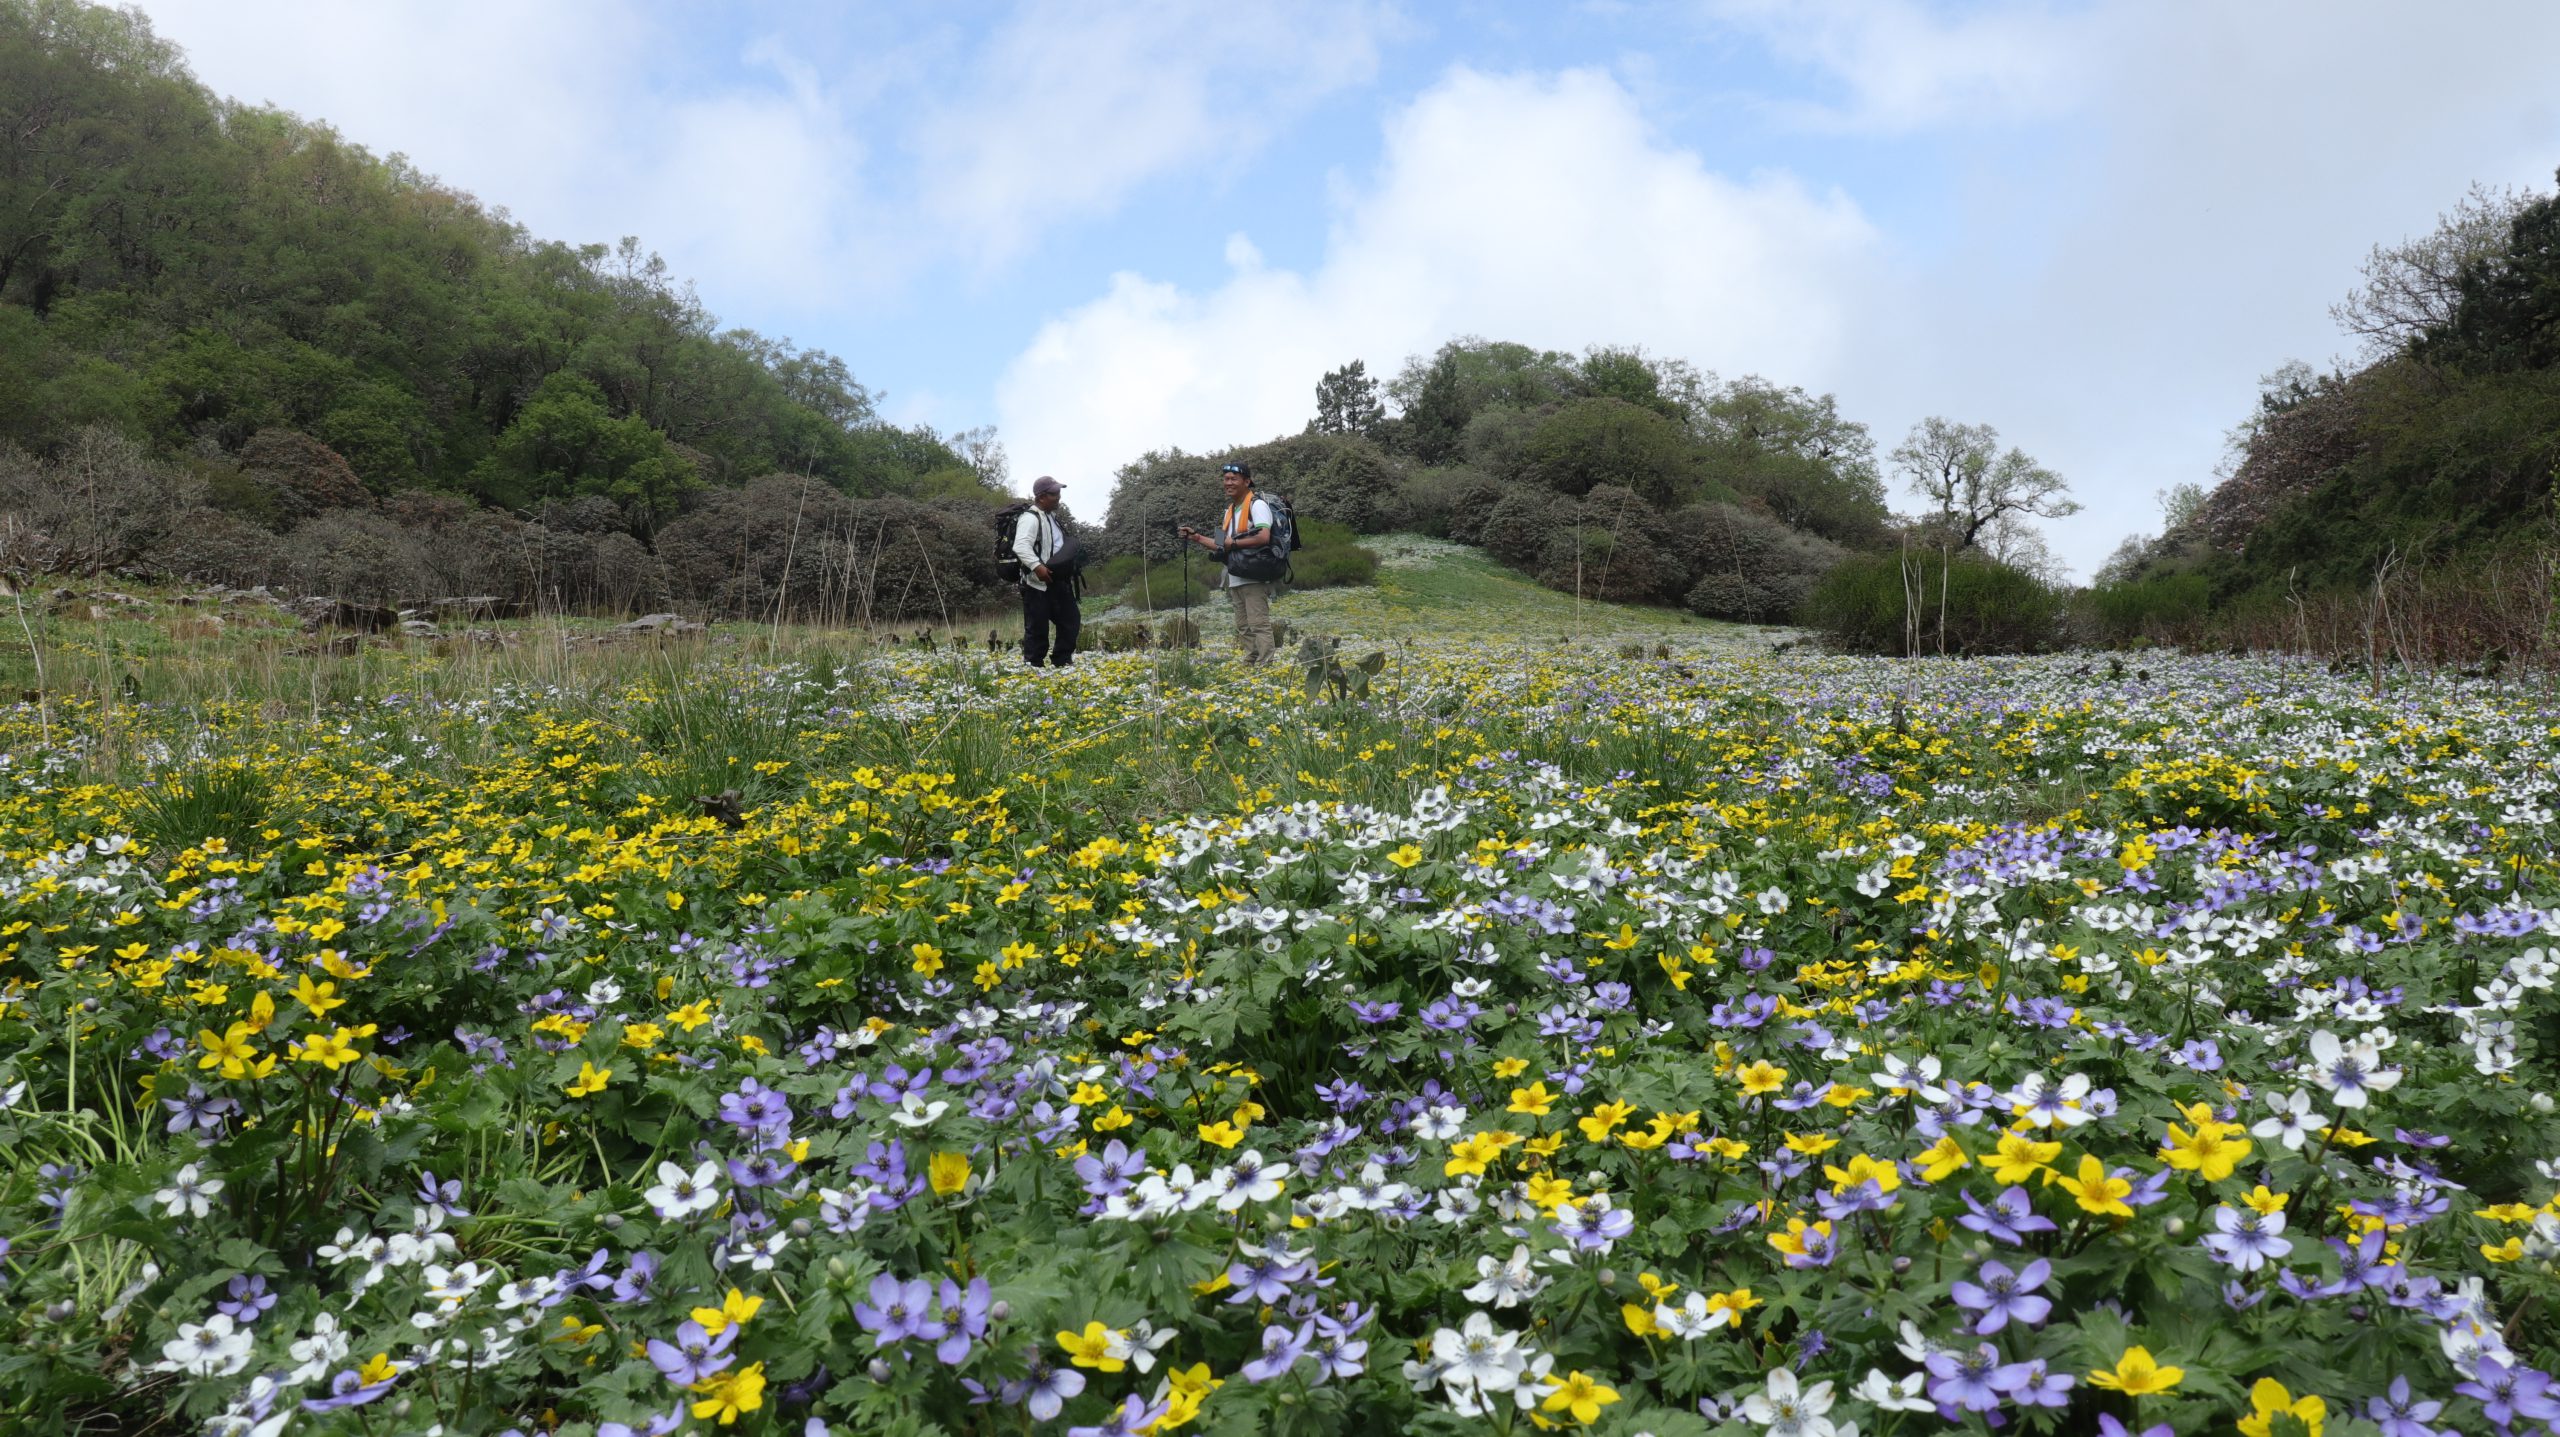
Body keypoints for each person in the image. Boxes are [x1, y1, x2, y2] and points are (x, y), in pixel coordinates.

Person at [1179, 461, 1278, 664]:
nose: (1228, 483)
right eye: (1226, 479)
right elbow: (1220, 544)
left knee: (1258, 623)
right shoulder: (1229, 511)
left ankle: (1267, 664)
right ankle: (1251, 660)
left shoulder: (1257, 505)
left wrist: (1232, 542)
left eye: (1233, 479)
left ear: (1247, 481)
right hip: (1235, 576)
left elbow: (1264, 537)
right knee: (1243, 625)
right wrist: (1195, 537)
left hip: (1254, 575)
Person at [1013, 475, 1080, 668]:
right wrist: (1038, 567)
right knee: (1037, 628)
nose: (1058, 497)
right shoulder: (1030, 518)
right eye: (1054, 493)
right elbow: (1021, 546)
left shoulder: (1051, 517)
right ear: (1042, 497)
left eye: (1058, 492)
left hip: (1057, 582)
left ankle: (1062, 662)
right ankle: (1033, 667)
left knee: (1070, 620)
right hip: (1036, 583)